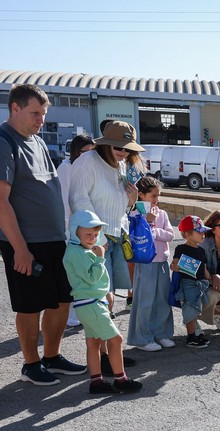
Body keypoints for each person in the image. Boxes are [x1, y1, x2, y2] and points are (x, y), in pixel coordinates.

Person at [0, 83, 86, 386]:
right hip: (26, 243)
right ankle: (31, 364)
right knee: (30, 306)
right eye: (35, 113)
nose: (41, 119)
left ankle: (52, 356)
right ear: (15, 108)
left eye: (43, 113)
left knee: (61, 301)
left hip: (54, 240)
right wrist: (20, 249)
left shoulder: (37, 141)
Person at [61, 211, 142, 395]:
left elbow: (92, 282)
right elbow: (92, 278)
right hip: (91, 304)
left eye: (96, 234)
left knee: (94, 342)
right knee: (116, 339)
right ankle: (120, 379)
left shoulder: (78, 250)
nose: (93, 238)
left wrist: (105, 292)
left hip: (88, 303)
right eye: (88, 234)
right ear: (75, 232)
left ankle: (96, 381)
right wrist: (100, 258)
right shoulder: (79, 253)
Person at [67, 120, 141, 314]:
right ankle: (101, 340)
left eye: (128, 149)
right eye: (118, 147)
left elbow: (118, 203)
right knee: (99, 297)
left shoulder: (120, 164)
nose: (123, 152)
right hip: (96, 241)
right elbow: (78, 201)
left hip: (116, 236)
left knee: (109, 296)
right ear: (105, 143)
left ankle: (105, 341)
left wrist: (131, 200)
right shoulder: (87, 162)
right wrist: (96, 238)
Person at [126, 176, 175, 351]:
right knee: (145, 301)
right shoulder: (134, 214)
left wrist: (154, 230)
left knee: (162, 301)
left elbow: (170, 235)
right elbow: (137, 237)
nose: (157, 199)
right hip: (145, 263)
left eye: (158, 195)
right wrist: (150, 224)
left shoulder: (162, 213)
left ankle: (161, 334)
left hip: (162, 262)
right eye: (153, 196)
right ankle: (142, 338)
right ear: (141, 195)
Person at [56, 134, 95, 328]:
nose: (89, 156)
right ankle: (71, 316)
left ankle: (82, 311)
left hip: (86, 229)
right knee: (72, 273)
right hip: (72, 229)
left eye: (92, 152)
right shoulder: (66, 168)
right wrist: (66, 231)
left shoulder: (90, 168)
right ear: (75, 151)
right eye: (84, 152)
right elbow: (64, 201)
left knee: (84, 272)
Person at [171, 215, 211, 348]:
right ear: (187, 234)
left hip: (200, 284)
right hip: (188, 283)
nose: (203, 234)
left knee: (196, 309)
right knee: (190, 309)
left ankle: (195, 334)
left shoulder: (201, 250)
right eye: (199, 232)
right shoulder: (181, 249)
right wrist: (175, 267)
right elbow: (174, 264)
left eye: (203, 231)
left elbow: (204, 268)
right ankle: (191, 337)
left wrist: (209, 278)